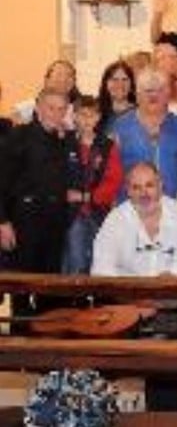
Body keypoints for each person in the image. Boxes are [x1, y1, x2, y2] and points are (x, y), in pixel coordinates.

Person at [0, 88, 76, 316]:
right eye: (51, 108)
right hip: (25, 219)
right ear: (38, 108)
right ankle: (19, 345)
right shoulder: (18, 137)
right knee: (22, 287)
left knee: (50, 288)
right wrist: (2, 222)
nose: (56, 113)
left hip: (56, 220)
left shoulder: (67, 140)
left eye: (61, 109)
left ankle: (47, 340)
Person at [91, 162, 177, 278]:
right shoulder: (115, 220)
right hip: (126, 294)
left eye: (149, 185)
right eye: (136, 187)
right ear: (128, 191)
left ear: (161, 185)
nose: (144, 193)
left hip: (171, 292)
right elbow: (101, 268)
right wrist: (135, 291)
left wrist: (161, 288)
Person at [63, 96, 123, 275]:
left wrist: (87, 197)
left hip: (99, 213)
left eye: (92, 115)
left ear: (99, 117)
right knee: (76, 261)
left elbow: (114, 180)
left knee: (99, 263)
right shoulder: (65, 142)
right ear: (74, 116)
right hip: (71, 215)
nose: (87, 119)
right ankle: (74, 300)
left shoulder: (107, 146)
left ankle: (96, 301)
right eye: (82, 114)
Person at [112, 68, 177, 199]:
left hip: (169, 206)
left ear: (168, 93)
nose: (154, 95)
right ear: (137, 94)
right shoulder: (121, 126)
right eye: (148, 91)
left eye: (160, 90)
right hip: (130, 206)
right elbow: (111, 172)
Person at [12, 60, 78, 129]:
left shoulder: (78, 110)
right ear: (47, 80)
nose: (64, 79)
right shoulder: (26, 108)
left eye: (69, 75)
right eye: (59, 74)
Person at [96, 60, 136, 132]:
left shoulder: (141, 113)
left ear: (132, 84)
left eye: (125, 79)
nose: (120, 84)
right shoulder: (96, 111)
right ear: (105, 83)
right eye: (114, 79)